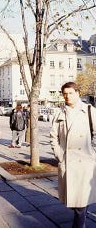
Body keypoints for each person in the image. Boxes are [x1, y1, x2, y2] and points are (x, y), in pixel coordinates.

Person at [49, 82, 96, 228]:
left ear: (77, 93)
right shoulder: (59, 113)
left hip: (85, 163)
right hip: (67, 162)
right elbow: (53, 137)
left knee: (80, 206)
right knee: (73, 203)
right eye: (64, 93)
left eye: (70, 93)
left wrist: (92, 152)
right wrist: (60, 155)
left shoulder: (89, 110)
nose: (67, 96)